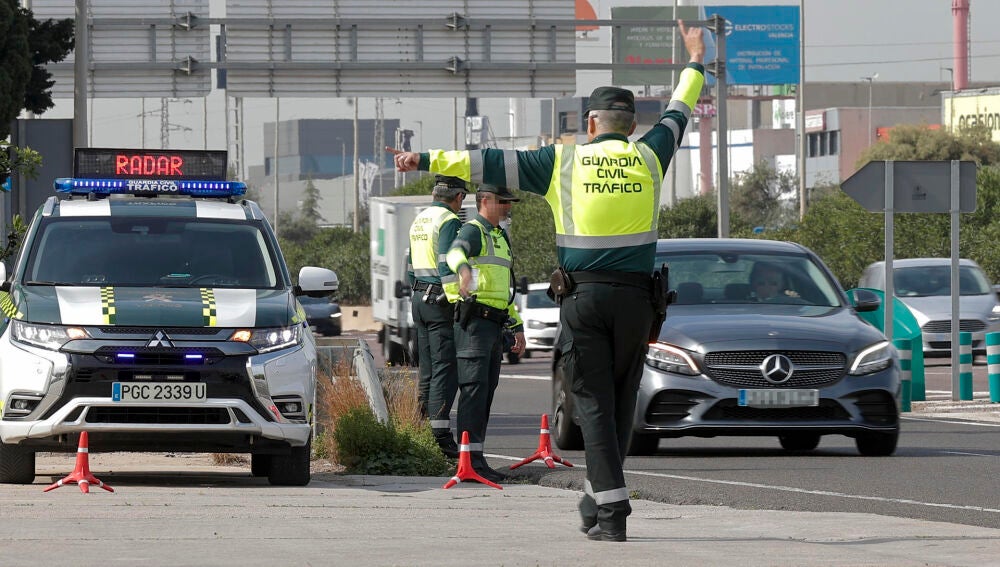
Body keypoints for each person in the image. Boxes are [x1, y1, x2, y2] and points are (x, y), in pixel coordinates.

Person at [387, 20, 705, 541]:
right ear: (630, 125)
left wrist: (420, 159)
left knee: (592, 401)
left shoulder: (563, 161)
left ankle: (613, 510)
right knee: (622, 400)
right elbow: (680, 110)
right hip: (638, 301)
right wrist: (694, 59)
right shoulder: (652, 156)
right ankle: (597, 496)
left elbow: (485, 160)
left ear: (591, 121)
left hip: (585, 299)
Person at [445, 184, 526, 483]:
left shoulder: (500, 236)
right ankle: (467, 463)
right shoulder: (474, 231)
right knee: (474, 391)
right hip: (475, 323)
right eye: (503, 201)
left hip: (495, 323)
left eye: (509, 202)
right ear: (484, 201)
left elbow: (504, 289)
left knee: (485, 392)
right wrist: (464, 271)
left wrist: (516, 325)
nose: (508, 207)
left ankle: (476, 460)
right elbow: (455, 252)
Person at [407, 175, 467, 458]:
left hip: (419, 298)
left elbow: (409, 267)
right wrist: (458, 300)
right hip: (439, 299)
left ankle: (420, 430)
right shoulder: (449, 221)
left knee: (428, 368)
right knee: (446, 368)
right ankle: (440, 436)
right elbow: (446, 263)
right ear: (458, 198)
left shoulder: (419, 220)